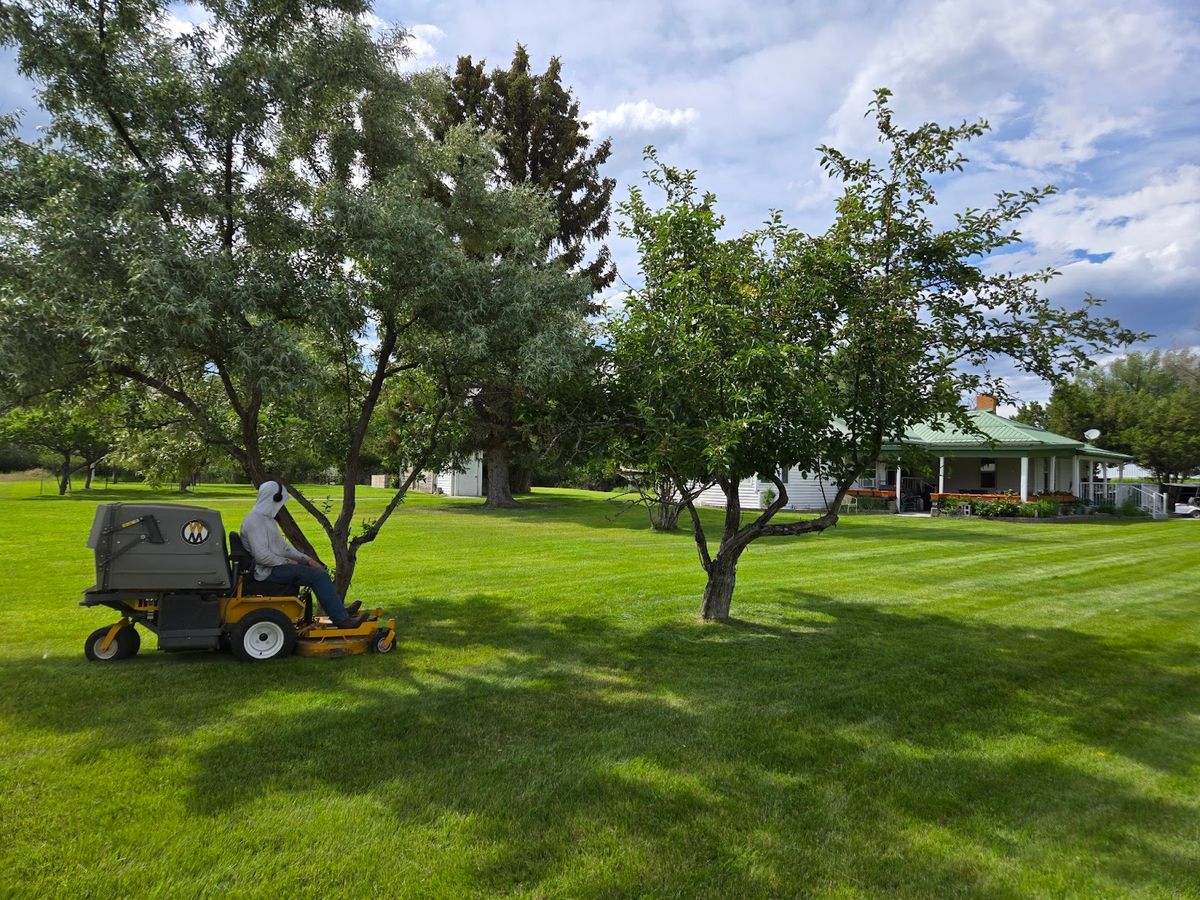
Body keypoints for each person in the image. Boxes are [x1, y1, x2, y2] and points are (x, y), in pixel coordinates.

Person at [240, 481, 364, 628]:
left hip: (274, 567)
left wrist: (307, 560)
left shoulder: (266, 519)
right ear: (275, 498)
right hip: (266, 572)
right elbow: (263, 557)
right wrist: (290, 562)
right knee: (318, 576)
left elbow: (284, 548)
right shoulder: (254, 521)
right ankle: (343, 620)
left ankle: (340, 611)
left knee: (318, 571)